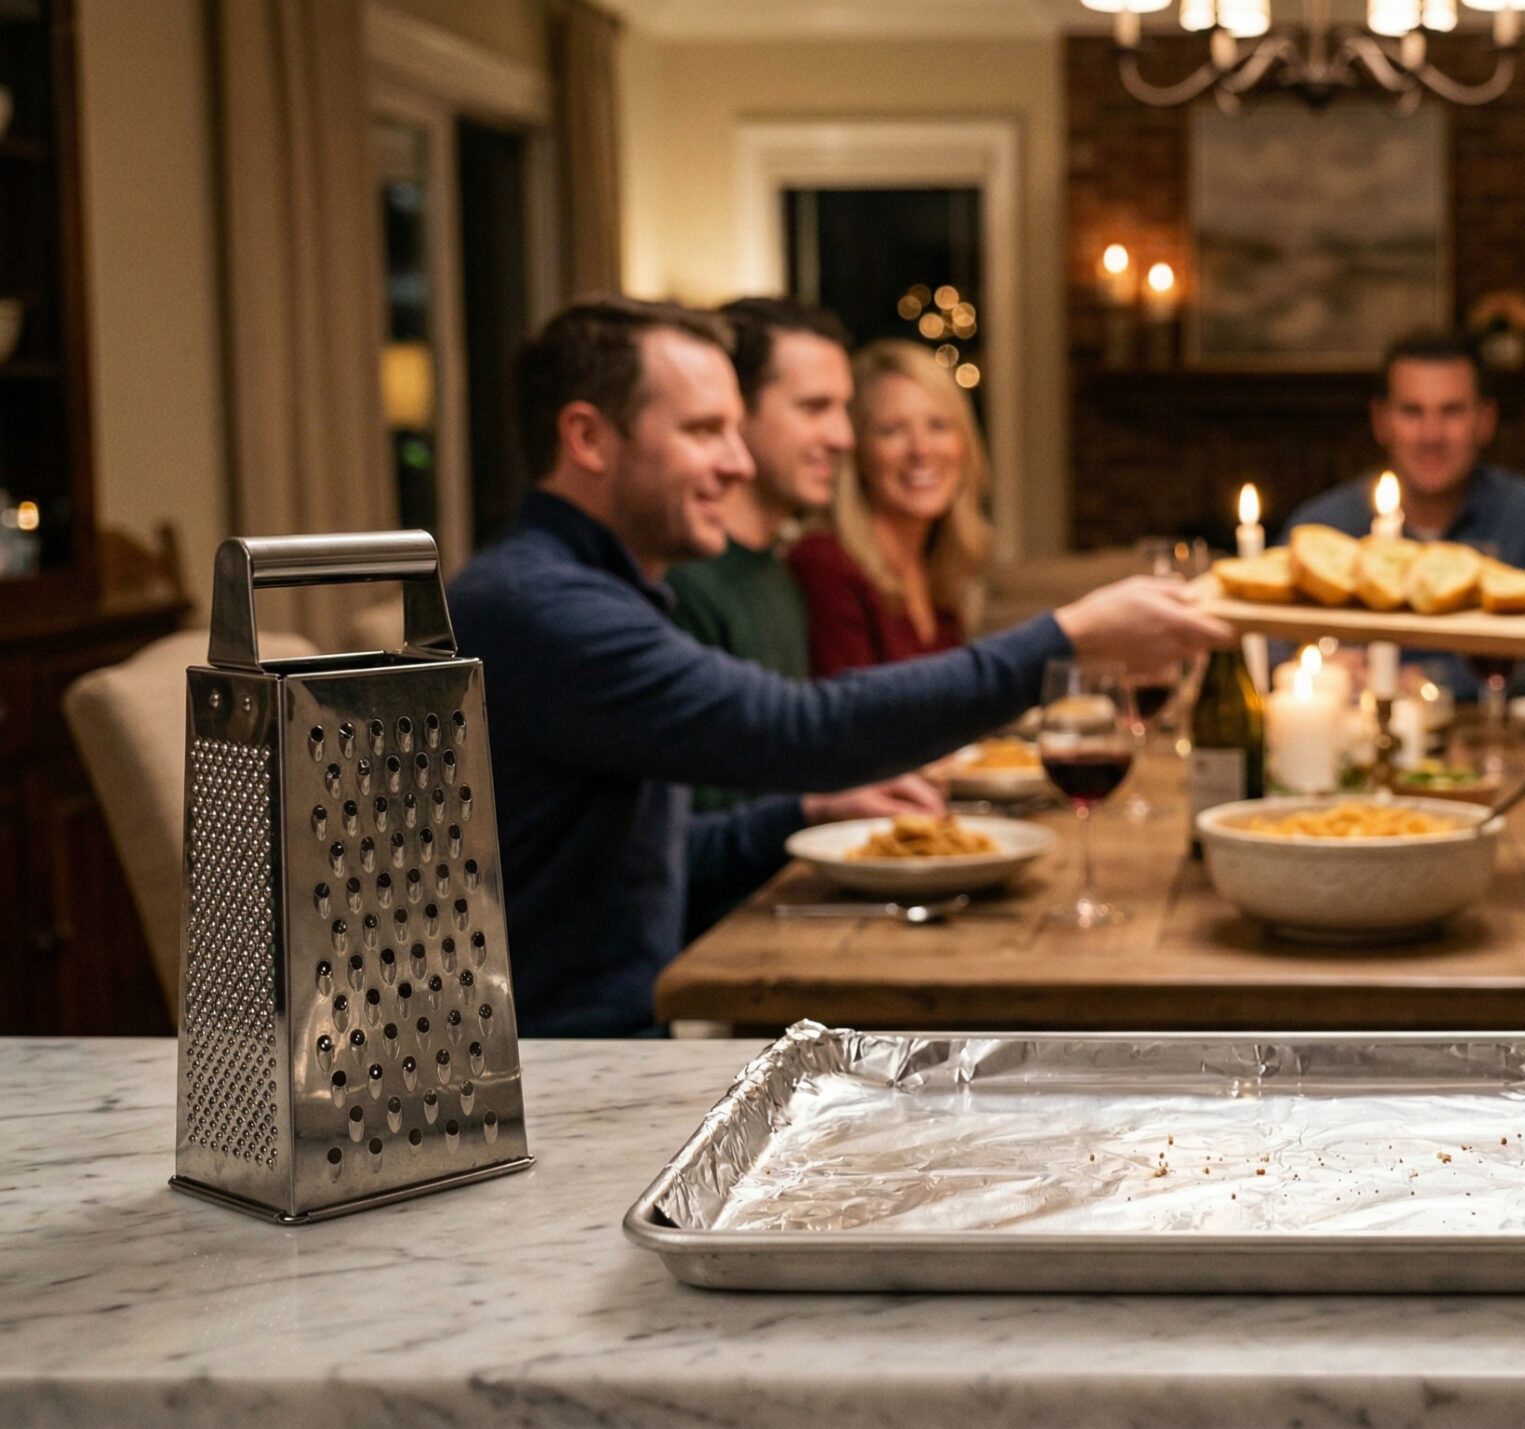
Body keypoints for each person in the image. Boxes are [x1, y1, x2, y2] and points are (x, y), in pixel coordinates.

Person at [450, 297, 1229, 1037]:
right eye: (703, 430)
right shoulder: (543, 606)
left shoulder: (592, 591)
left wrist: (803, 815)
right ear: (587, 438)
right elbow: (801, 729)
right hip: (566, 1069)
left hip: (621, 1036)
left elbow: (645, 863)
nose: (736, 459)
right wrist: (1068, 636)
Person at [667, 299, 935, 823]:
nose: (843, 438)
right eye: (815, 409)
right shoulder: (685, 585)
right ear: (736, 410)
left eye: (843, 409)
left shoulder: (777, 571)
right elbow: (695, 822)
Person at [1282, 330, 1525, 697]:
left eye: (1451, 411)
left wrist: (1425, 680)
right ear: (1381, 421)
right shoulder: (1323, 529)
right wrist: (1317, 666)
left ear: (1485, 421)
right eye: (1412, 411)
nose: (1431, 434)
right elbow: (1270, 649)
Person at [790, 339, 990, 676]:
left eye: (938, 425)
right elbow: (854, 720)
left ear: (964, 444)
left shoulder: (938, 571)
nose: (921, 450)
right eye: (892, 430)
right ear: (857, 454)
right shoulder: (825, 565)